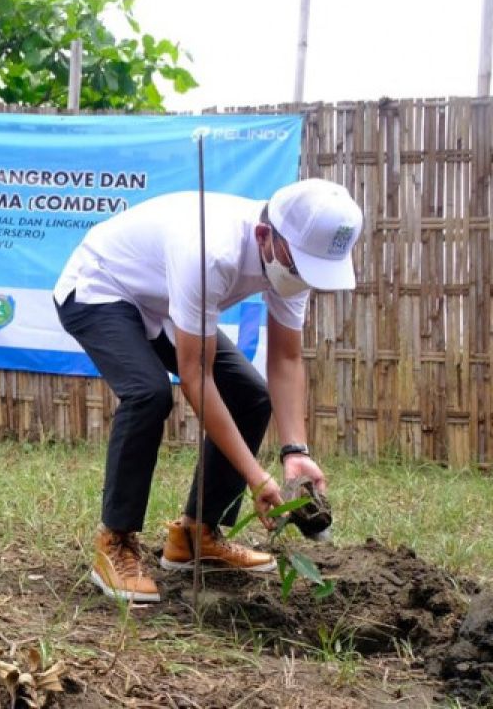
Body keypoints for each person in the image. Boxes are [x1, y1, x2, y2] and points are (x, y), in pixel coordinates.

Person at [53, 178, 362, 603]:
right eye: (297, 267)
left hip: (160, 302)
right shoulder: (210, 250)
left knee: (251, 396)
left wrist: (296, 452)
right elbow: (196, 376)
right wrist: (256, 477)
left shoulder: (295, 256)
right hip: (100, 288)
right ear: (263, 236)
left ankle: (197, 534)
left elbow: (287, 360)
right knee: (149, 393)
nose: (302, 277)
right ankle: (116, 541)